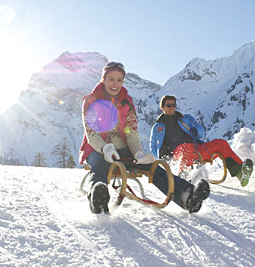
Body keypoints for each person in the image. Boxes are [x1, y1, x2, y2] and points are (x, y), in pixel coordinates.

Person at [79, 62, 210, 214]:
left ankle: (187, 195)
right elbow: (92, 133)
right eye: (111, 79)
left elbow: (131, 132)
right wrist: (106, 149)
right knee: (99, 165)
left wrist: (138, 153)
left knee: (151, 167)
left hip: (123, 149)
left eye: (119, 80)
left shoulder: (126, 102)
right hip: (97, 148)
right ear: (103, 79)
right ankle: (98, 197)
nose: (115, 84)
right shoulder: (91, 101)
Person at [150, 95, 254, 186]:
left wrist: (196, 130)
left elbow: (201, 131)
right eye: (169, 105)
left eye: (173, 105)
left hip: (196, 149)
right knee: (186, 147)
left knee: (221, 143)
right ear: (162, 107)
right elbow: (153, 146)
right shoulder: (158, 125)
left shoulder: (186, 118)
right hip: (177, 152)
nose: (172, 108)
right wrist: (162, 156)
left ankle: (240, 173)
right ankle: (184, 178)